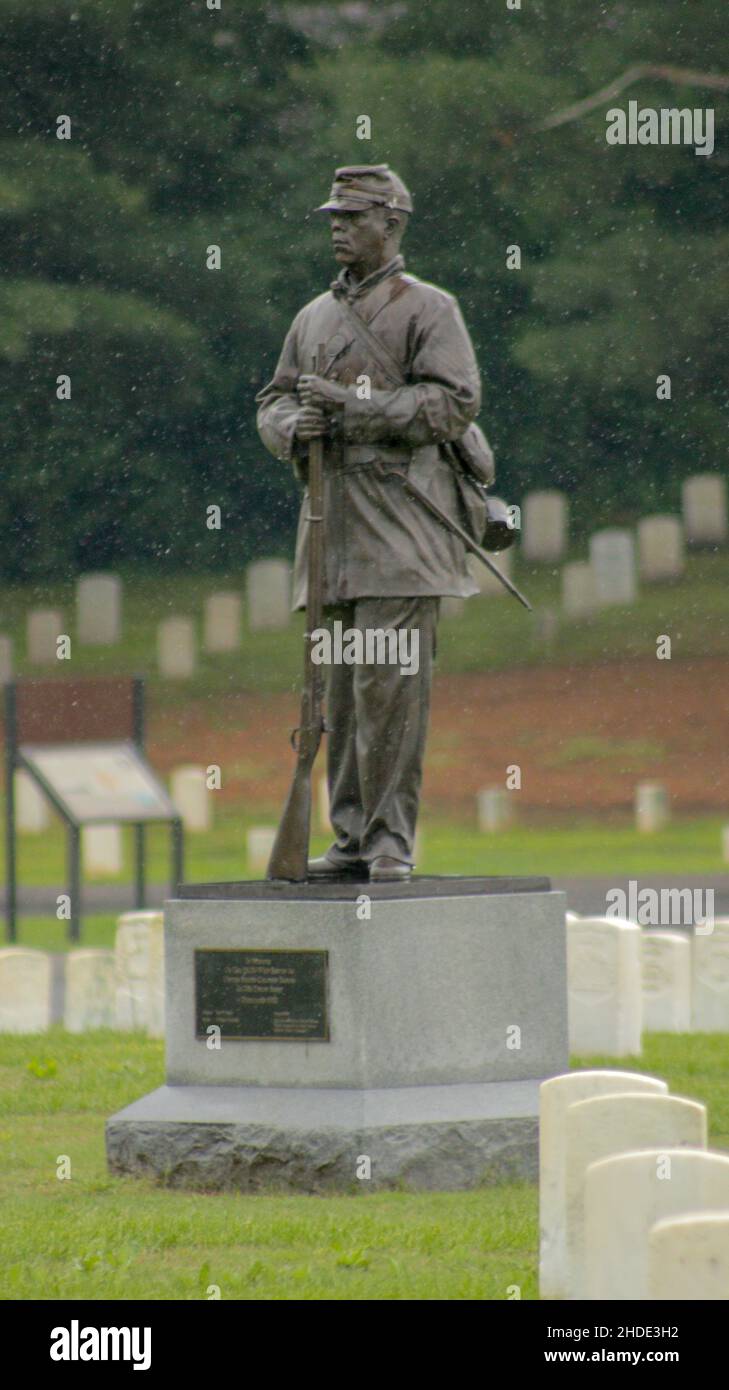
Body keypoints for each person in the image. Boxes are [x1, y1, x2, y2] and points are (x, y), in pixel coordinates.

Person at [256, 164, 483, 882]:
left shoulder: (428, 309)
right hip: (330, 531)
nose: (336, 226)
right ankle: (349, 838)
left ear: (391, 223)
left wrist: (356, 409)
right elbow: (271, 400)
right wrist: (296, 425)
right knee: (338, 694)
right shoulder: (311, 318)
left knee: (389, 689)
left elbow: (452, 404)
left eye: (352, 216)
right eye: (333, 215)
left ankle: (389, 840)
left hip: (401, 529)